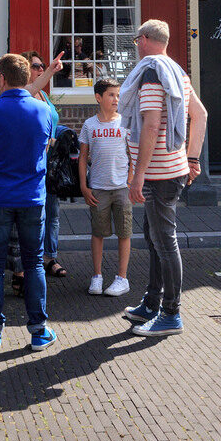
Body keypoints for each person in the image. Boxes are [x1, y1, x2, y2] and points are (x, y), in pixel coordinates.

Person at [118, 19, 207, 337]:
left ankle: (171, 314)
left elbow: (152, 126)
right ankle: (152, 303)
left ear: (143, 40)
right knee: (155, 240)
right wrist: (191, 157)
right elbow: (201, 114)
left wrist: (137, 175)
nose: (135, 46)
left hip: (157, 175)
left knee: (165, 243)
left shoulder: (153, 73)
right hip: (171, 171)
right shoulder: (177, 72)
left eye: (135, 40)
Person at [0, 53, 56, 353]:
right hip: (32, 197)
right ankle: (38, 331)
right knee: (34, 262)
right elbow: (47, 145)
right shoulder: (43, 111)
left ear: (3, 79)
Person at [78, 78, 131, 296]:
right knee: (98, 233)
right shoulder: (90, 125)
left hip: (122, 188)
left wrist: (132, 180)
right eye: (111, 95)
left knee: (124, 232)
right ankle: (97, 276)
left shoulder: (125, 123)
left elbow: (133, 154)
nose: (116, 99)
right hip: (98, 188)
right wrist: (84, 185)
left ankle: (122, 277)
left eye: (118, 95)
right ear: (98, 97)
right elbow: (82, 158)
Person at [23, 50, 67, 279]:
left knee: (53, 211)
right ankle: (34, 259)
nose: (40, 69)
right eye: (36, 66)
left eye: (42, 67)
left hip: (51, 163)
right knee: (37, 213)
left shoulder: (43, 96)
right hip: (34, 162)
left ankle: (50, 256)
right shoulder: (25, 95)